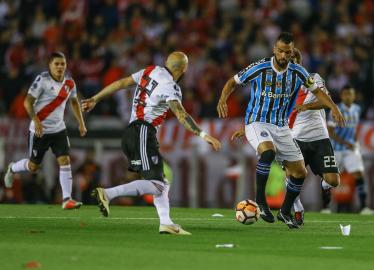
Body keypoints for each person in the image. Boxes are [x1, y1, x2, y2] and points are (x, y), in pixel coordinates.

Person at [82, 51, 221, 235]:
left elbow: (122, 83)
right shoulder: (170, 86)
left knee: (162, 182)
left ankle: (166, 223)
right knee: (158, 184)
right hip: (142, 132)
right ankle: (108, 194)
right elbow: (181, 115)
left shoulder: (151, 70)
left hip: (135, 132)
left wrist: (95, 98)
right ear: (184, 69)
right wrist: (204, 135)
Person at [217, 32, 344, 229]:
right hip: (257, 121)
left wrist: (334, 108)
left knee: (300, 172)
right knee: (268, 152)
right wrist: (222, 99)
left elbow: (317, 92)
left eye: (288, 52)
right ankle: (261, 201)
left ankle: (285, 212)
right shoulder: (260, 68)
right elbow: (233, 81)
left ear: (292, 52)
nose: (284, 55)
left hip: (282, 126)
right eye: (281, 51)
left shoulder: (299, 73)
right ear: (274, 50)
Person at [3, 52, 87, 209]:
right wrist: (37, 122)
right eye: (57, 64)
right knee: (34, 167)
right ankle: (12, 168)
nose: (60, 67)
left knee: (65, 160)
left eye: (63, 64)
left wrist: (81, 123)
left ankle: (67, 199)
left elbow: (74, 102)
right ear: (49, 65)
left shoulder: (70, 82)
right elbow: (27, 103)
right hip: (39, 130)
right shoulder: (42, 80)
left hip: (59, 129)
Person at [327, 86, 374, 215]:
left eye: (350, 94)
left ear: (354, 96)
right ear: (342, 96)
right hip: (336, 149)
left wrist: (355, 143)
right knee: (328, 178)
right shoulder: (335, 109)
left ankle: (364, 207)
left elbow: (353, 129)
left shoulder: (357, 109)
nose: (348, 96)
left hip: (350, 150)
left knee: (359, 174)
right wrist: (345, 143)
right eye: (345, 94)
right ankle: (326, 207)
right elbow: (330, 132)